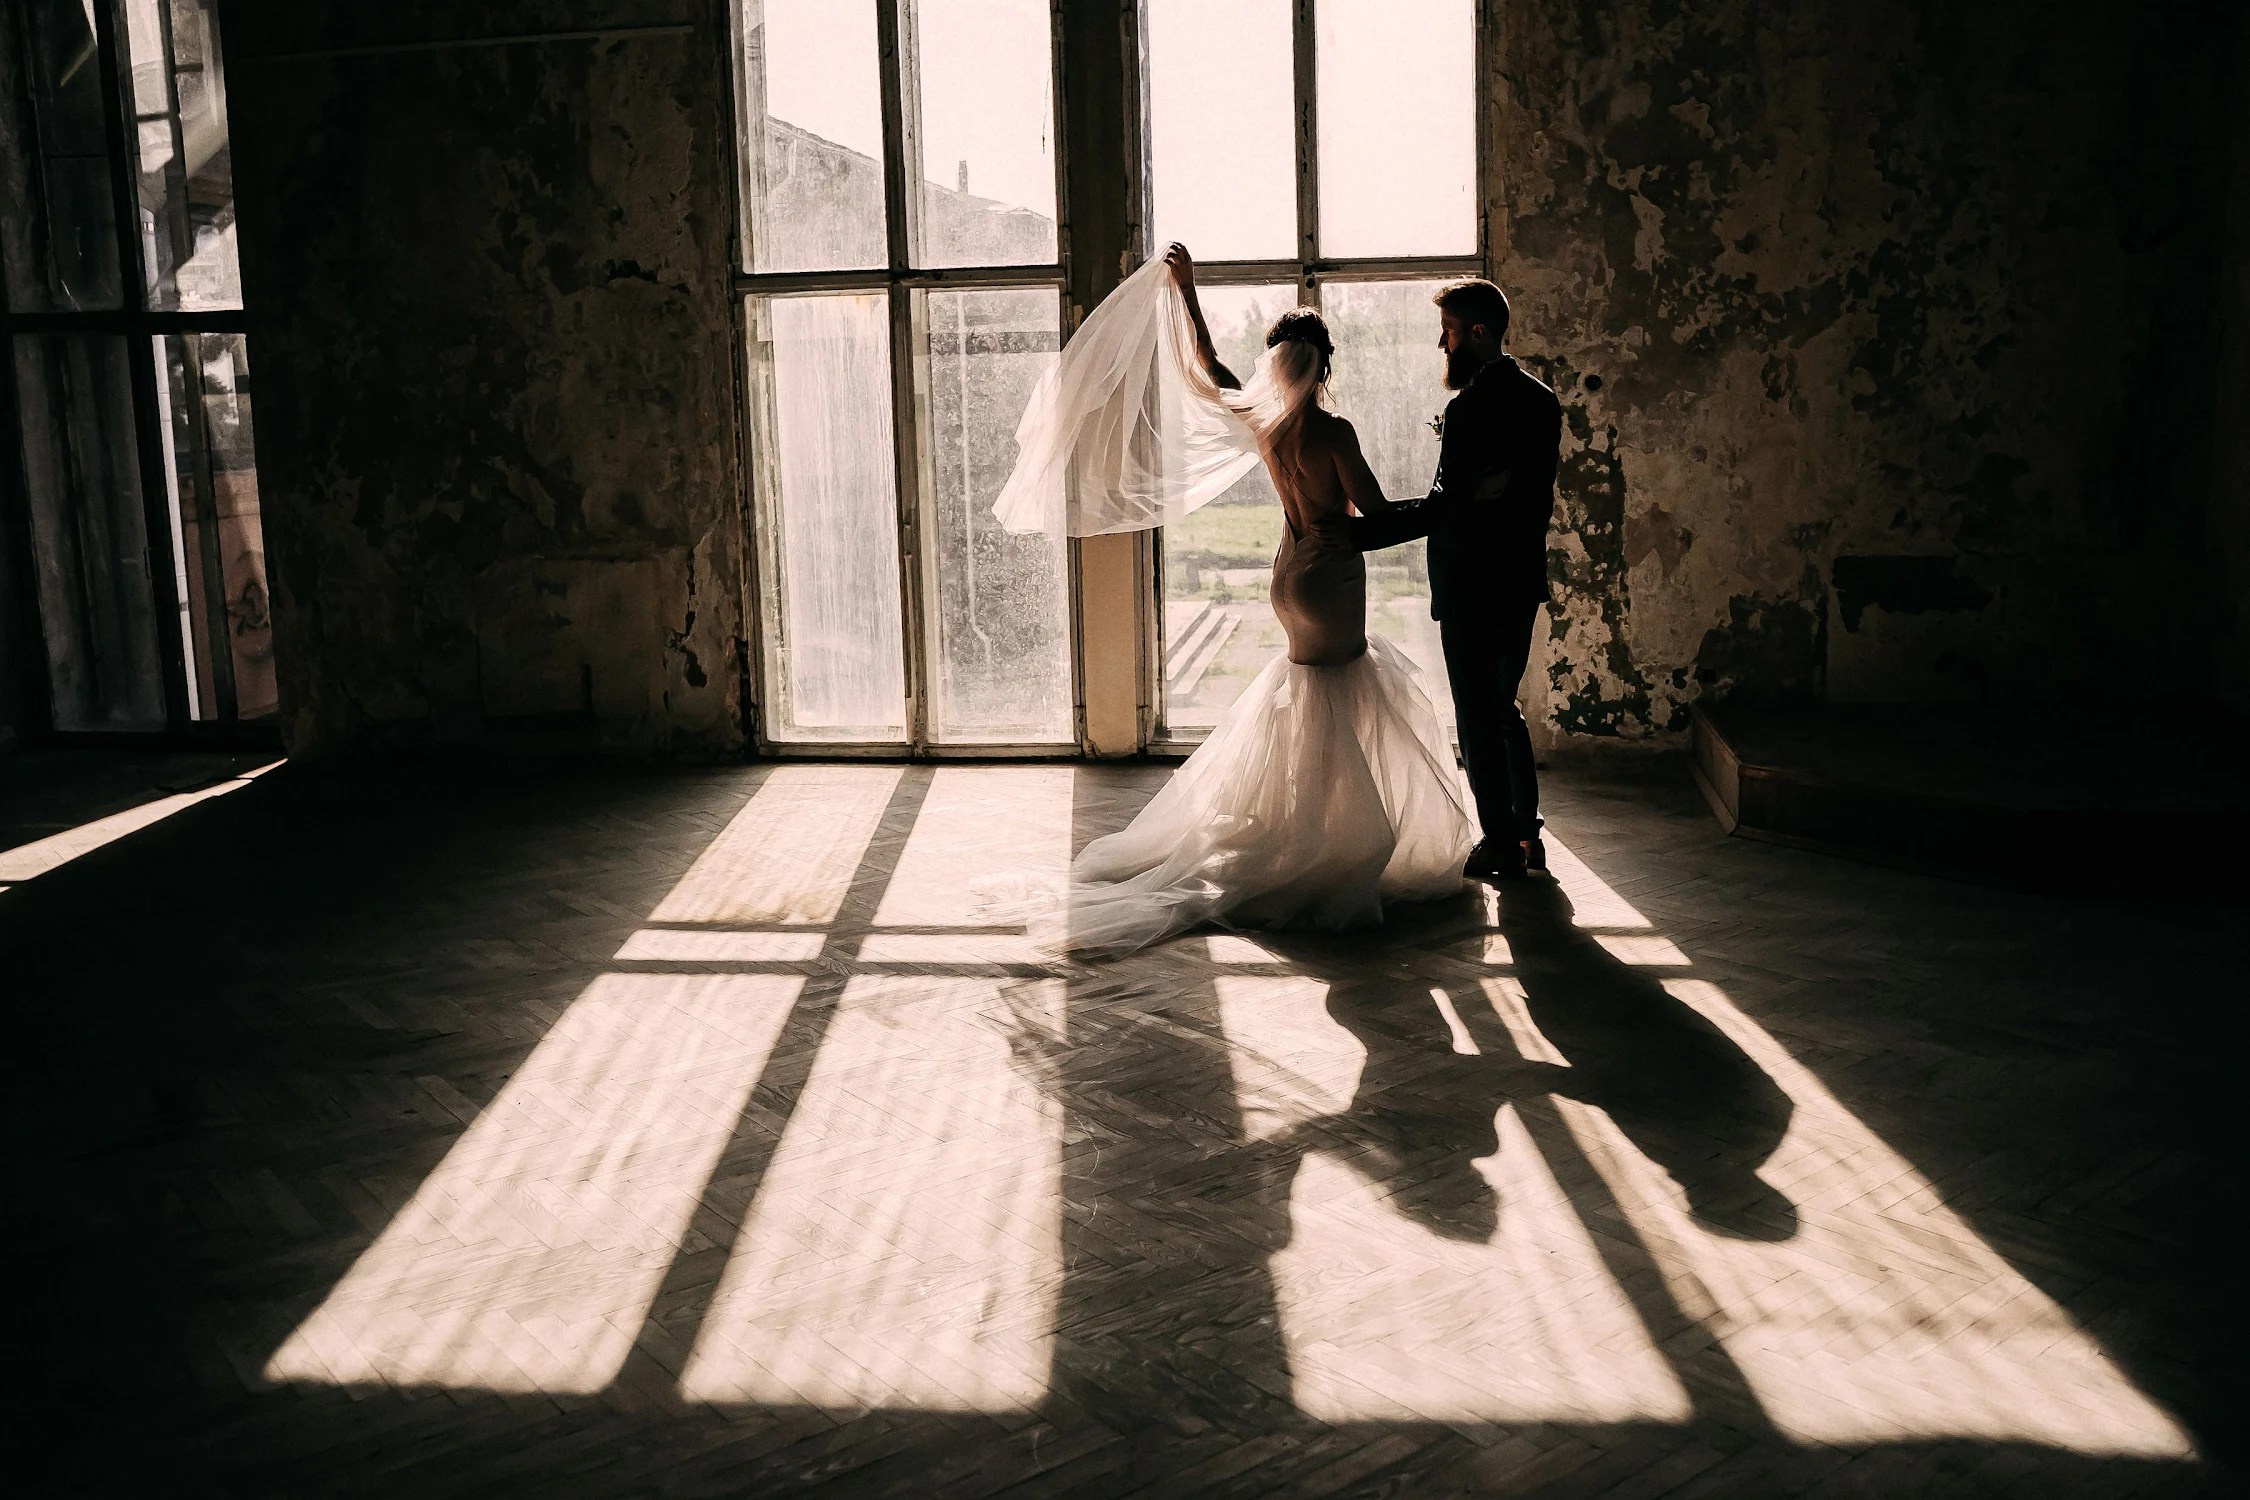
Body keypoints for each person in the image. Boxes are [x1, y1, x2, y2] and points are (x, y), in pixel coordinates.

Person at [1030, 245, 1477, 952]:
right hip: (1329, 579)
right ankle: (1328, 852)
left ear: (1277, 366)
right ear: (1325, 366)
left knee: (1312, 697)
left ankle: (1306, 831)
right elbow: (1380, 515)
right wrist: (1449, 502)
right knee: (1339, 701)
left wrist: (1186, 287)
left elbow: (1210, 367)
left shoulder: (1268, 425)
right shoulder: (1333, 433)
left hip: (1286, 575)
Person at [1325, 279, 1561, 881]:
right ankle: (1527, 832)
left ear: (1477, 334)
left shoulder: (1468, 411)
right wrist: (1474, 498)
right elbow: (1515, 500)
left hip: (1471, 585)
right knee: (1502, 707)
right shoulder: (1541, 401)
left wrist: (1360, 535)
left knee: (1478, 716)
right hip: (1518, 580)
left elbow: (1446, 507)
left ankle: (1501, 844)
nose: (1442, 344)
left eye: (1449, 333)